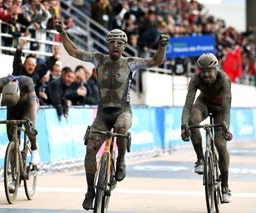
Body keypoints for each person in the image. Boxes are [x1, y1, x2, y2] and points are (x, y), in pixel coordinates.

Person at [53, 19, 169, 210]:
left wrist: (162, 45)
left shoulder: (130, 62)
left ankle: (121, 160)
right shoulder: (98, 59)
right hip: (103, 113)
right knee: (90, 148)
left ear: (124, 45)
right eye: (112, 42)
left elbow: (155, 60)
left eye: (119, 43)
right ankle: (90, 191)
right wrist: (63, 32)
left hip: (123, 111)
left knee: (122, 128)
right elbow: (73, 51)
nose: (115, 46)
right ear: (107, 44)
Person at [180, 52, 233, 203]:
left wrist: (226, 128)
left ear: (216, 69)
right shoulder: (195, 79)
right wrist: (184, 124)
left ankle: (225, 186)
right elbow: (188, 105)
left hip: (220, 108)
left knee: (220, 144)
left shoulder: (225, 80)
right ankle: (200, 160)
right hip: (203, 102)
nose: (206, 75)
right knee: (193, 121)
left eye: (209, 71)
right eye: (202, 72)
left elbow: (226, 108)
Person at [0, 75, 40, 168]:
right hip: (12, 108)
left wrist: (32, 126)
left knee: (28, 127)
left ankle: (34, 149)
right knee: (11, 136)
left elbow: (33, 104)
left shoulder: (27, 82)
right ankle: (16, 161)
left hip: (28, 105)